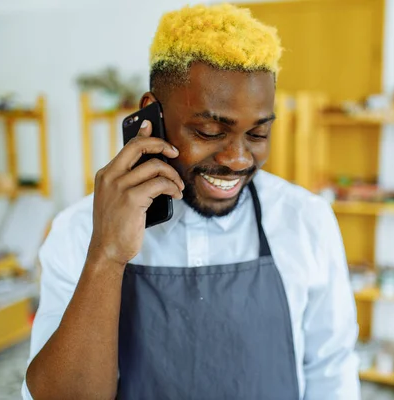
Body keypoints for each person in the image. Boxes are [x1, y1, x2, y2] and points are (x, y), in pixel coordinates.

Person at [23, 3, 360, 399]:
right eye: (209, 130)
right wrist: (107, 255)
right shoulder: (79, 230)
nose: (237, 159)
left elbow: (330, 369)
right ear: (152, 112)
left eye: (257, 133)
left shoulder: (306, 220)